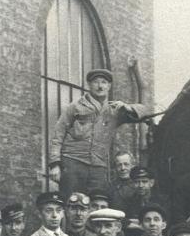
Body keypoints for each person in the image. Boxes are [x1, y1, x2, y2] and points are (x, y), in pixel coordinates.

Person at [48, 68, 149, 197]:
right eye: (96, 82)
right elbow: (57, 135)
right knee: (70, 200)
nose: (100, 86)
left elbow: (145, 111)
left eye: (104, 82)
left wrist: (127, 107)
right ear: (89, 85)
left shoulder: (114, 110)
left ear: (109, 86)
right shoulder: (75, 107)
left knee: (98, 201)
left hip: (99, 167)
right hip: (72, 162)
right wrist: (55, 164)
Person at [122, 166, 169, 236]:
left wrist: (136, 223)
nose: (140, 185)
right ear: (132, 184)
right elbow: (122, 221)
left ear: (151, 183)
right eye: (137, 182)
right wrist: (139, 225)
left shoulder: (162, 201)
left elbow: (166, 222)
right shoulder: (128, 201)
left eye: (144, 182)